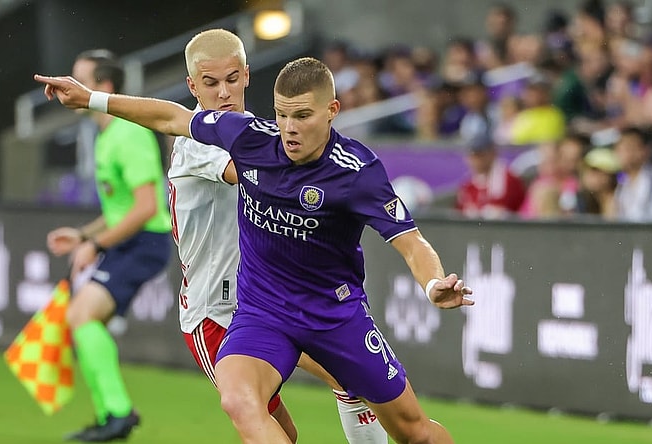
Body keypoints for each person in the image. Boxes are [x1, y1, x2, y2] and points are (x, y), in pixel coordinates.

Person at [35, 54, 474, 444]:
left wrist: (433, 282)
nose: (289, 128)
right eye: (282, 115)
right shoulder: (250, 139)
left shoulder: (357, 172)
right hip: (263, 316)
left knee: (414, 431)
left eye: (302, 115)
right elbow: (171, 117)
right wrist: (91, 98)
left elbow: (410, 241)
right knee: (240, 402)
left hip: (333, 317)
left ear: (332, 111)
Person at [170, 29, 387, 443]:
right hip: (215, 310)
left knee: (351, 379)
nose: (223, 92)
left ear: (248, 75)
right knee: (276, 432)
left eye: (232, 78)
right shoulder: (195, 139)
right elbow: (265, 177)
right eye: (210, 83)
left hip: (270, 301)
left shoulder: (264, 133)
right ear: (192, 86)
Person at [44, 49, 172, 442]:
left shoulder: (128, 132)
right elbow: (122, 209)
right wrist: (84, 235)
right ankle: (111, 416)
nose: (69, 84)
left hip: (144, 242)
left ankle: (116, 414)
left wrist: (94, 244)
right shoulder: (106, 133)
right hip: (128, 241)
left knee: (82, 315)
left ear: (105, 87)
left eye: (79, 78)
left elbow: (147, 208)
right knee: (81, 317)